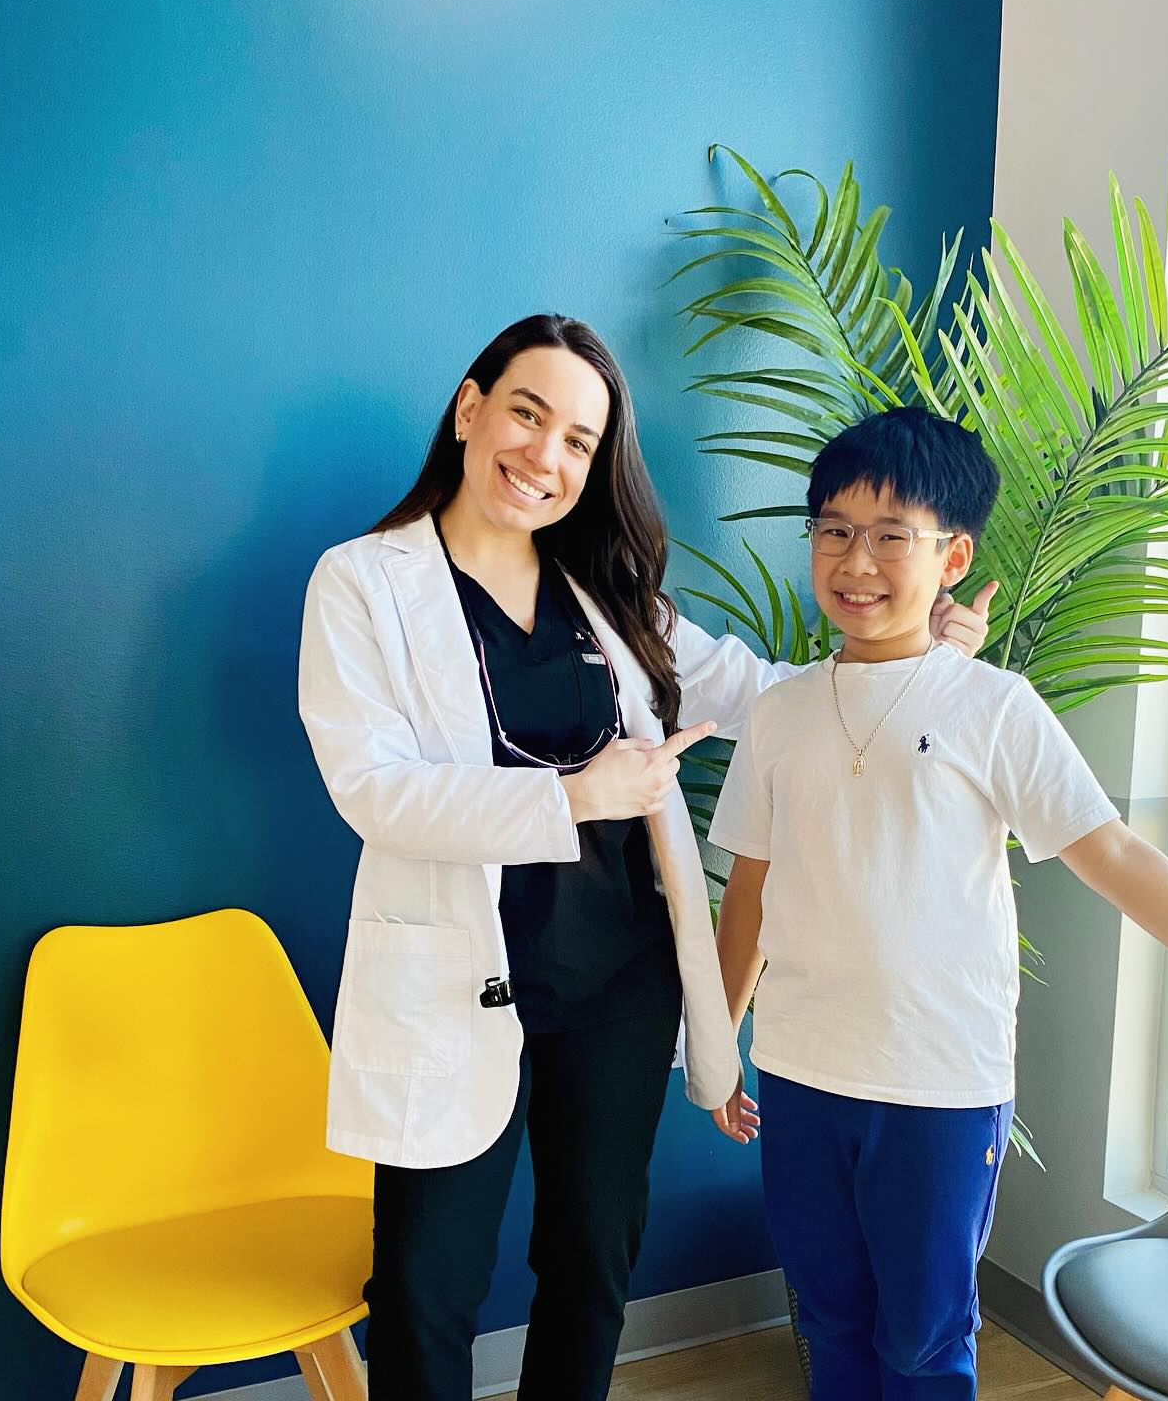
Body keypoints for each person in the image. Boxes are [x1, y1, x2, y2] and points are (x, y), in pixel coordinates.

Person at [297, 317, 993, 1400]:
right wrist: (577, 795)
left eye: (579, 440)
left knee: (591, 1262)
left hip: (620, 979)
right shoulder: (364, 583)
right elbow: (372, 792)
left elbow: (778, 697)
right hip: (456, 977)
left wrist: (918, 662)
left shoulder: (609, 599)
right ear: (471, 409)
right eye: (529, 415)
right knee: (427, 1284)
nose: (547, 455)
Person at [707, 407, 1168, 1401]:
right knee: (832, 1318)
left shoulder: (992, 707)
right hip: (802, 1073)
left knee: (925, 1340)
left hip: (938, 1083)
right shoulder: (780, 710)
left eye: (893, 535)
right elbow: (752, 884)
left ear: (952, 555)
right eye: (834, 529)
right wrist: (717, 1043)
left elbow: (1111, 852)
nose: (857, 559)